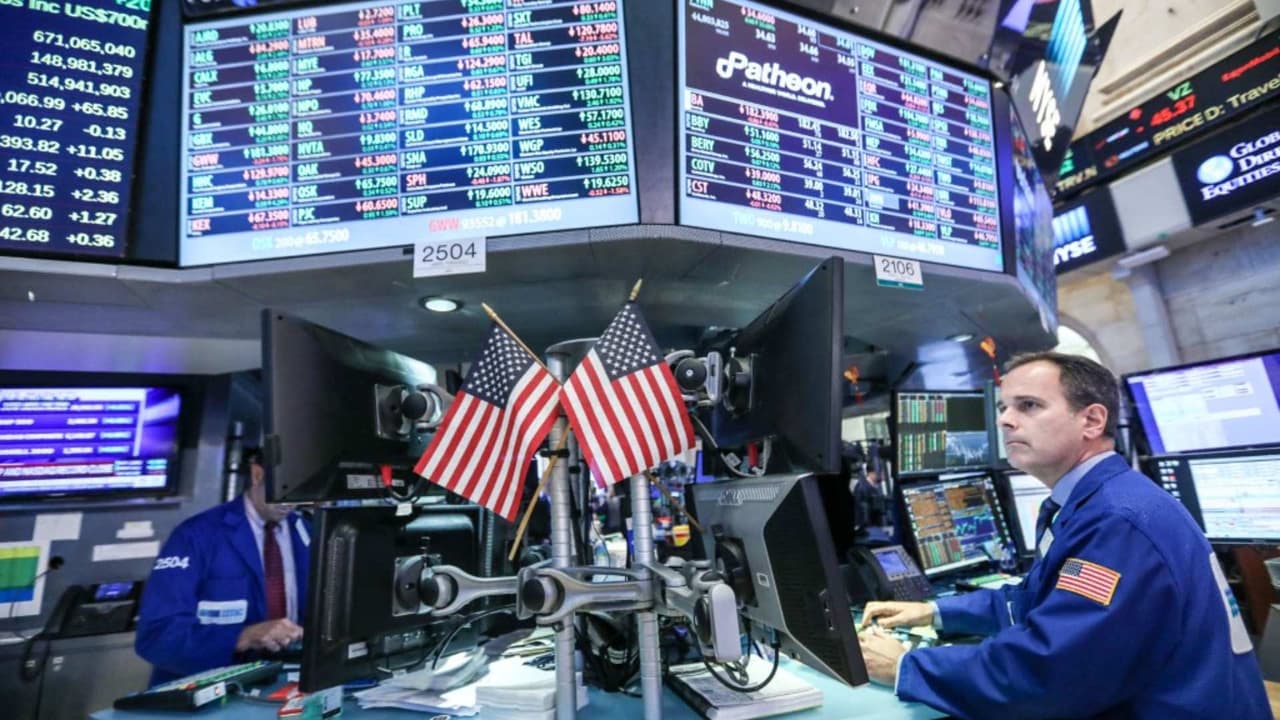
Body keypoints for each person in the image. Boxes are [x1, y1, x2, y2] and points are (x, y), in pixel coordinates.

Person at [857, 351, 1270, 719]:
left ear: (1092, 420)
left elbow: (1048, 674)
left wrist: (906, 665)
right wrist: (935, 612)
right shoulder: (1095, 502)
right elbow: (1036, 599)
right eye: (1003, 407)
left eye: (1029, 405)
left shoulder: (1116, 521)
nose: (1004, 419)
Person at [136, 448, 311, 685]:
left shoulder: (309, 532)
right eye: (286, 486)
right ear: (257, 475)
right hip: (207, 688)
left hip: (284, 686)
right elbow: (157, 635)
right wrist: (243, 636)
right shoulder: (196, 535)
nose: (292, 500)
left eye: (303, 488)